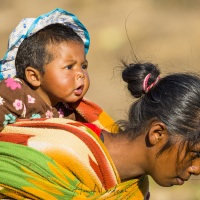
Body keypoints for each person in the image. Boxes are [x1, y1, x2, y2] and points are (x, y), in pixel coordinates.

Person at [1, 60, 200, 199]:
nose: (197, 169)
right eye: (195, 154)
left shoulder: (134, 191)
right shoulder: (61, 149)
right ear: (157, 133)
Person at [0, 8, 93, 132]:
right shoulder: (13, 93)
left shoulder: (69, 110)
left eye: (84, 66)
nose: (81, 74)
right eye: (69, 67)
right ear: (34, 76)